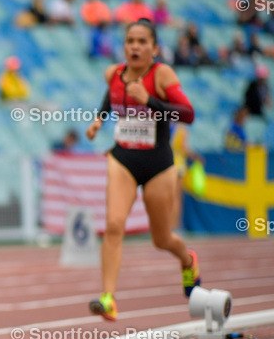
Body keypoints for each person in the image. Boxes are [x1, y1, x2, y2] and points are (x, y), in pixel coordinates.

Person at [84, 18, 199, 321]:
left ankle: (188, 261)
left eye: (142, 42)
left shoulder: (162, 75)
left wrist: (149, 101)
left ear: (155, 47)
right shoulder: (114, 73)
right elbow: (112, 95)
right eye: (130, 41)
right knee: (113, 225)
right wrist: (99, 119)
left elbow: (188, 114)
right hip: (122, 158)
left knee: (161, 239)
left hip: (158, 164)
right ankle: (108, 298)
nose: (135, 47)